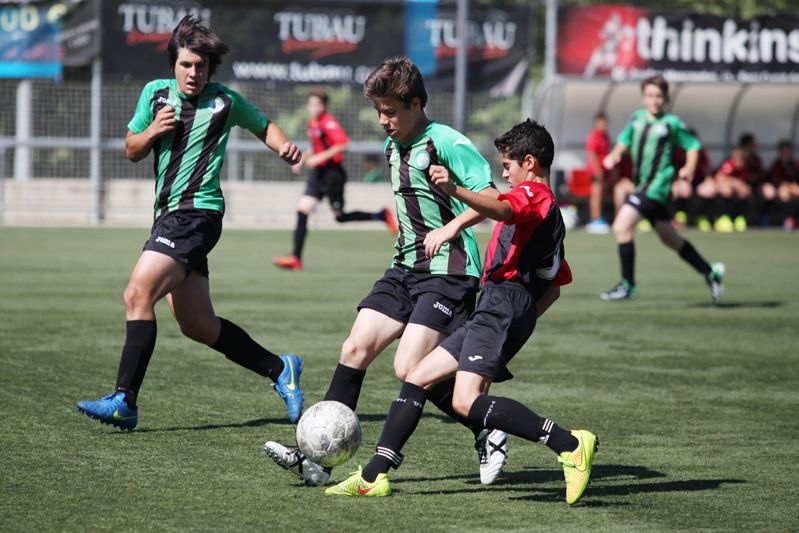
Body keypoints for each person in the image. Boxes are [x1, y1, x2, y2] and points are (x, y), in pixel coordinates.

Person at [325, 119, 598, 505]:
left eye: (508, 165)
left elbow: (502, 209)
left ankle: (569, 444)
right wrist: (518, 321)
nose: (504, 173)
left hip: (502, 302)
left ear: (531, 163)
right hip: (498, 305)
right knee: (417, 376)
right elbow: (554, 286)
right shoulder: (548, 214)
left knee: (464, 401)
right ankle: (373, 476)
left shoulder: (534, 196)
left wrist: (454, 192)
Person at [264, 56, 509, 487]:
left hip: (448, 272)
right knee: (354, 348)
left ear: (416, 103)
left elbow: (493, 198)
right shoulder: (393, 144)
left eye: (391, 111)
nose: (383, 120)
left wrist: (451, 223)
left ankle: (486, 426)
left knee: (408, 367)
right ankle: (319, 461)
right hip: (403, 269)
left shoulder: (448, 142)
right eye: (379, 111)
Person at [75, 16, 305, 430]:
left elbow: (264, 125)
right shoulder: (154, 95)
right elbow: (131, 149)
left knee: (136, 293)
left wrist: (283, 145)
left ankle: (124, 399)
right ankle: (279, 368)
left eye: (200, 66)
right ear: (173, 65)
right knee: (198, 325)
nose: (193, 73)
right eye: (185, 65)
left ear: (209, 69)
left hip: (198, 214)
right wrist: (152, 132)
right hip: (167, 216)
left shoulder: (225, 101)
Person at [601, 75, 725, 303]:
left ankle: (628, 284)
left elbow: (693, 146)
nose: (654, 100)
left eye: (658, 96)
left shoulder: (672, 124)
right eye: (649, 96)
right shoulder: (636, 119)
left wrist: (688, 167)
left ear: (665, 98)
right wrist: (615, 154)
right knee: (670, 238)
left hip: (656, 188)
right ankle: (710, 272)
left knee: (621, 226)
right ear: (643, 98)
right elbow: (624, 141)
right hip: (643, 187)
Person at [272, 88, 397, 272]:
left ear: (324, 106)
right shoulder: (312, 123)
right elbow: (317, 148)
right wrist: (303, 159)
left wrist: (319, 158)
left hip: (333, 175)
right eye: (311, 103)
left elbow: (343, 145)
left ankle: (380, 215)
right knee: (303, 209)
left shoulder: (329, 123)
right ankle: (296, 258)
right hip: (318, 175)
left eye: (318, 104)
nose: (314, 107)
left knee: (339, 217)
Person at [712, 147, 752, 232]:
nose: (742, 162)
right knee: (726, 190)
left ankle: (739, 217)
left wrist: (738, 186)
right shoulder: (729, 165)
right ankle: (722, 218)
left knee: (744, 192)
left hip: (736, 192)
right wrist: (734, 183)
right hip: (723, 189)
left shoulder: (744, 168)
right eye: (740, 160)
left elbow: (743, 184)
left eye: (743, 160)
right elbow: (719, 178)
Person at [585, 112, 611, 233]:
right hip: (596, 172)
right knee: (596, 195)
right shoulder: (593, 137)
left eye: (605, 122)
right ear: (596, 122)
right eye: (601, 122)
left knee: (602, 196)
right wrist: (598, 171)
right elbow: (593, 155)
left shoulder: (605, 136)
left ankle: (599, 217)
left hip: (605, 172)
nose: (603, 124)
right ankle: (594, 219)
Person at [769, 140, 799, 230]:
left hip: (793, 188)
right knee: (784, 193)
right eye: (784, 151)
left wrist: (793, 186)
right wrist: (790, 186)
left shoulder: (793, 165)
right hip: (781, 189)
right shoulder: (776, 165)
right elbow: (778, 182)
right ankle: (787, 219)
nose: (786, 153)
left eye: (788, 151)